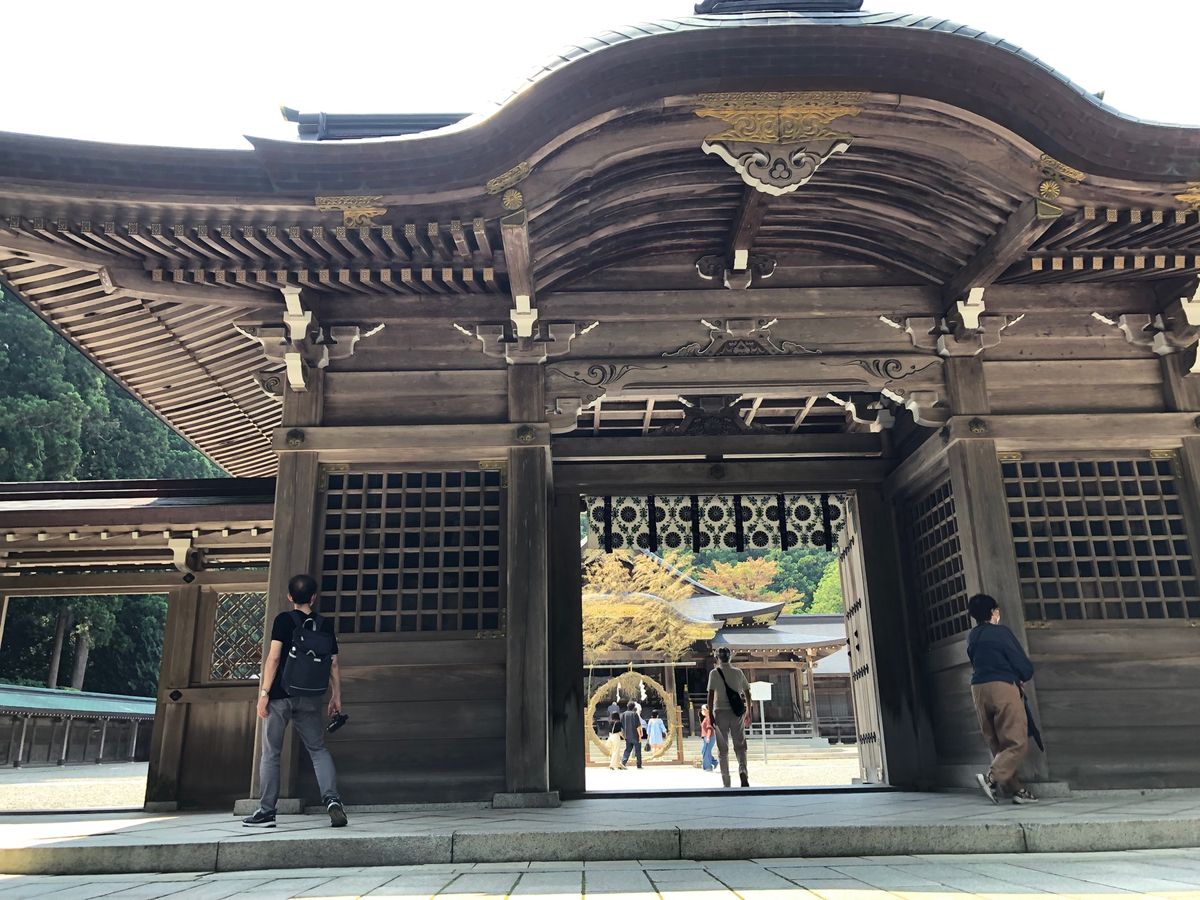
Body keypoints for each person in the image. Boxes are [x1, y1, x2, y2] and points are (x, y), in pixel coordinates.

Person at [243, 573, 348, 828]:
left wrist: (264, 693)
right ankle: (332, 800)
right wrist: (336, 696)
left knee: (271, 753)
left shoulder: (283, 620)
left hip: (280, 695)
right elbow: (333, 663)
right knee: (318, 749)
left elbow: (274, 658)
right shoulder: (324, 624)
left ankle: (267, 811)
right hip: (311, 697)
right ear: (314, 597)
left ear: (290, 596)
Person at [966, 593, 1038, 805]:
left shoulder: (972, 636)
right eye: (996, 610)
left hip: (978, 688)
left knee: (997, 742)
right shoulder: (1000, 633)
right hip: (1002, 687)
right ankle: (991, 778)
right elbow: (1020, 662)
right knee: (1016, 740)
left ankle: (1017, 790)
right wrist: (1023, 675)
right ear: (992, 612)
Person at [707, 647, 752, 788]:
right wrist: (748, 711)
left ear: (718, 658)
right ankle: (742, 769)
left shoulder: (714, 673)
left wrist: (710, 715)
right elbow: (747, 692)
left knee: (723, 749)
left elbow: (710, 695)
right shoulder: (738, 673)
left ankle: (726, 781)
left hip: (720, 712)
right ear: (730, 657)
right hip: (736, 712)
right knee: (740, 745)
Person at [620, 701, 645, 769]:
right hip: (635, 736)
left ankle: (623, 762)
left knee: (627, 750)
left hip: (627, 736)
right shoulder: (635, 714)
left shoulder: (623, 714)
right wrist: (640, 736)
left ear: (627, 706)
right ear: (634, 707)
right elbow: (638, 726)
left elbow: (621, 726)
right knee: (638, 751)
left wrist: (623, 735)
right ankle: (639, 765)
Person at [699, 703, 716, 772]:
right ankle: (714, 762)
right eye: (702, 709)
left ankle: (708, 767)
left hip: (709, 737)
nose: (702, 710)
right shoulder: (706, 718)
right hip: (706, 737)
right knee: (704, 751)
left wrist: (708, 737)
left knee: (706, 752)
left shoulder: (709, 718)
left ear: (708, 710)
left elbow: (709, 728)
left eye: (704, 709)